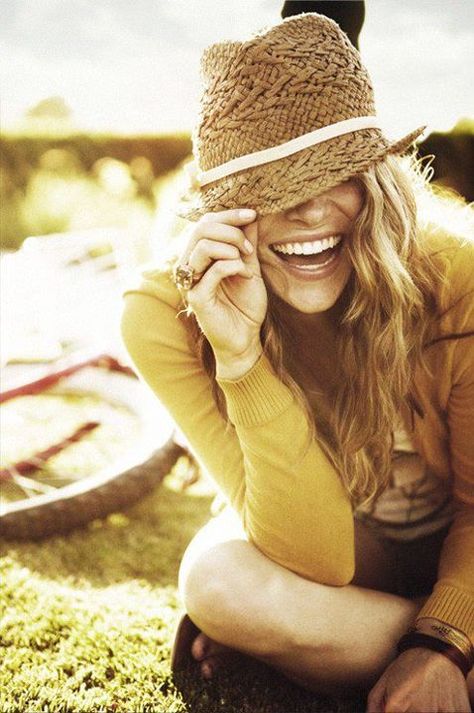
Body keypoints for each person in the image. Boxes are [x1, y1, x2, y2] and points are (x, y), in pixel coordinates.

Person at [121, 13, 474, 711]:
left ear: (375, 182)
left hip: (456, 534)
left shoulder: (453, 275)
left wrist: (443, 636)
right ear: (221, 213)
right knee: (217, 581)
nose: (309, 212)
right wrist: (242, 356)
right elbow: (315, 557)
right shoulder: (166, 312)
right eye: (271, 190)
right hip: (344, 546)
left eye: (336, 177)